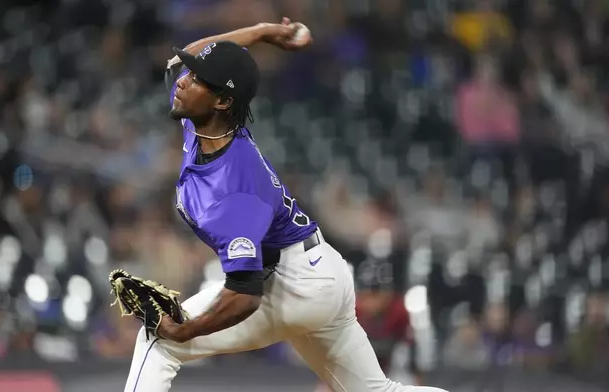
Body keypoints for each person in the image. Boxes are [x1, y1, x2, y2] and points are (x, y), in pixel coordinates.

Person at [124, 18, 449, 392]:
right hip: (321, 270)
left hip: (291, 285)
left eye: (196, 79)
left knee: (158, 341)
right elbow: (196, 55)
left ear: (223, 100)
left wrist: (186, 329)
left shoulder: (236, 188)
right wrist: (262, 33)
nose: (183, 80)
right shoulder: (203, 120)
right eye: (191, 74)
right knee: (376, 390)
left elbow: (244, 295)